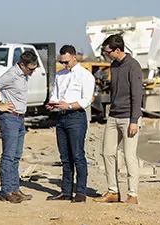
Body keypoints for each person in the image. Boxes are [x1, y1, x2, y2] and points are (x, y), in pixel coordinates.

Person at [93, 34, 143, 204]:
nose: (105, 55)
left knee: (129, 156)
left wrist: (134, 120)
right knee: (107, 153)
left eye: (107, 52)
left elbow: (137, 95)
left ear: (117, 50)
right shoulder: (113, 66)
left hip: (129, 118)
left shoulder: (133, 66)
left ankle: (132, 194)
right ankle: (113, 192)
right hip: (113, 116)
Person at [0, 51, 38, 203]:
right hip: (9, 119)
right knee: (8, 156)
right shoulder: (11, 74)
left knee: (16, 155)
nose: (32, 72)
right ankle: (6, 191)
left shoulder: (23, 75)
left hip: (19, 119)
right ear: (22, 65)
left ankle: (15, 188)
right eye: (31, 69)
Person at [46, 45, 95, 203]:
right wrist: (52, 103)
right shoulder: (60, 74)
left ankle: (80, 192)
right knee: (65, 158)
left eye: (66, 62)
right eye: (62, 62)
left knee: (78, 156)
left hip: (76, 117)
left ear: (74, 57)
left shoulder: (85, 76)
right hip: (61, 117)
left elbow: (86, 100)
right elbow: (55, 93)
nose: (64, 65)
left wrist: (68, 105)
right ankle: (66, 191)